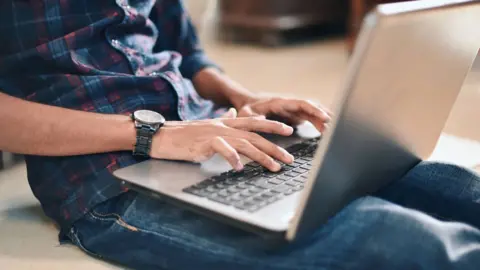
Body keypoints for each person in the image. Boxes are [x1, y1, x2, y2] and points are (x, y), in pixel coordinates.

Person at [0, 1, 479, 269]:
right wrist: (152, 136)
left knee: (453, 186)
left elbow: (182, 48)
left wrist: (242, 97)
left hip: (217, 135)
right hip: (109, 183)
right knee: (402, 241)